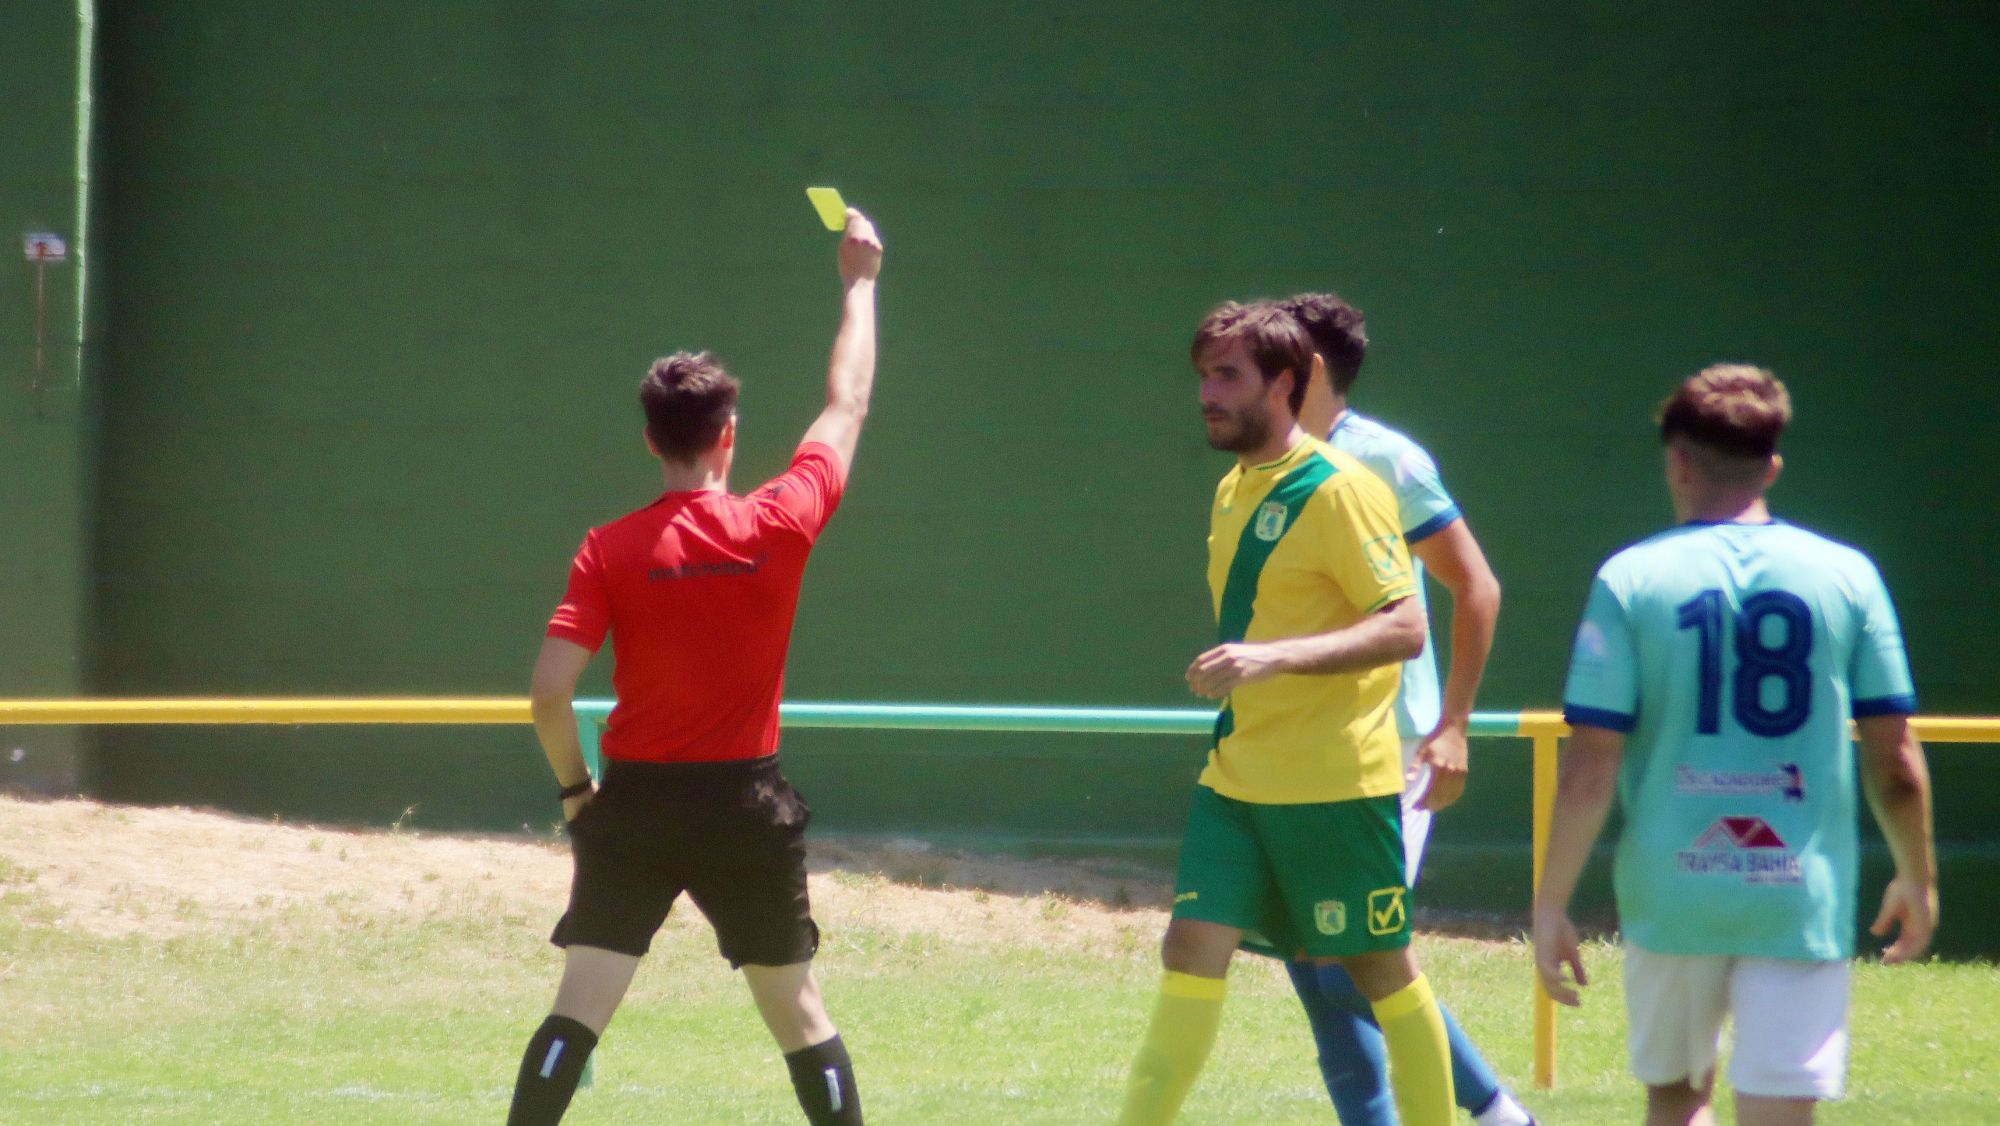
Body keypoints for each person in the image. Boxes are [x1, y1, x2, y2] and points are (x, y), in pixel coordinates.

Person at [505, 208, 885, 1126]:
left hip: (633, 802)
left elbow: (551, 691)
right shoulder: (780, 521)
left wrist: (574, 791)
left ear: (649, 439)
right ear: (728, 436)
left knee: (579, 1008)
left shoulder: (610, 549)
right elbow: (847, 405)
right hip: (744, 805)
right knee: (799, 1015)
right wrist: (861, 282)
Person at [1534, 365, 1938, 1126]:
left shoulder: (1629, 579)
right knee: (1780, 1109)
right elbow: (1897, 762)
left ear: (1677, 461)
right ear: (1773, 466)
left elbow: (1590, 766)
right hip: (1797, 894)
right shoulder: (1850, 576)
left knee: (1677, 1101)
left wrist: (1552, 902)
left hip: (1671, 892)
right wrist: (1919, 877)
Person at [1119, 301, 1455, 1126]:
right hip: (1239, 779)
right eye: (1203, 374)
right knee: (1190, 950)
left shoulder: (1344, 490)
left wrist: (1273, 657)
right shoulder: (1236, 486)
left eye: (1226, 375)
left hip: (1335, 786)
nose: (1207, 392)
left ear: (1285, 383)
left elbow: (1406, 624)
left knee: (1378, 972)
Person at [1282, 292, 1532, 1126]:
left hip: (1384, 751)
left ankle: (1501, 1117)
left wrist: (1452, 726)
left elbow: (1476, 585)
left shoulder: (1387, 461)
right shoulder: (1266, 461)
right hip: (1298, 752)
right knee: (1319, 963)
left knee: (1352, 957)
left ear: (1309, 368)